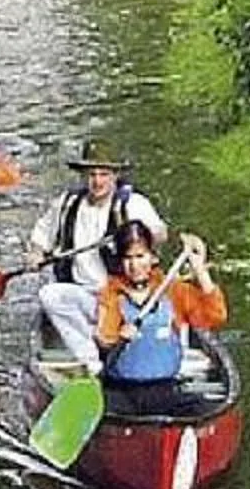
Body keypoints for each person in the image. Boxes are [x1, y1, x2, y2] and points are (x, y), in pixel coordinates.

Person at [30, 139, 169, 374]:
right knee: (50, 295)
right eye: (92, 174)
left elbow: (159, 235)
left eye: (104, 174)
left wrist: (134, 234)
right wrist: (34, 254)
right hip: (84, 297)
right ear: (84, 176)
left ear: (115, 175)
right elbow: (40, 237)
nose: (97, 181)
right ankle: (91, 361)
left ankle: (127, 346)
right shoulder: (67, 204)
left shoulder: (132, 204)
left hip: (123, 297)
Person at [94, 222, 226, 413]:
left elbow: (215, 316)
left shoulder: (172, 290)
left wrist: (200, 271)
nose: (134, 265)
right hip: (123, 391)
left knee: (206, 409)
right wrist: (120, 336)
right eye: (127, 258)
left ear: (153, 258)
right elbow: (105, 339)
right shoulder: (111, 294)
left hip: (166, 388)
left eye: (140, 256)